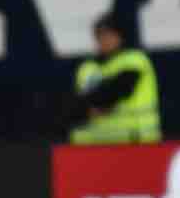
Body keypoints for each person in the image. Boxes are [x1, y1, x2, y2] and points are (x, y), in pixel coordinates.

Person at [69, 13, 162, 144]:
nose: (104, 40)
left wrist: (93, 104)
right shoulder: (87, 68)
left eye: (108, 34)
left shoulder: (134, 60)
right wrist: (87, 106)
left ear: (120, 36)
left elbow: (117, 90)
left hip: (135, 143)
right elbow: (76, 105)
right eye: (99, 35)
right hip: (94, 145)